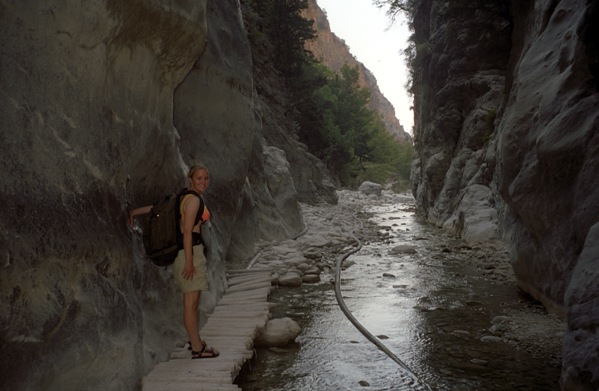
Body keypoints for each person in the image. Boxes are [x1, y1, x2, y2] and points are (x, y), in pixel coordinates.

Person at [129, 164, 219, 359]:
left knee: (192, 303)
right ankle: (197, 349)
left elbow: (158, 208)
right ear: (191, 179)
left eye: (206, 178)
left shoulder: (183, 196)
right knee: (191, 303)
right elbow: (187, 232)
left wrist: (134, 212)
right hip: (190, 253)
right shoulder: (193, 201)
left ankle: (196, 341)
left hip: (188, 252)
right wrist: (189, 261)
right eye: (199, 178)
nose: (203, 182)